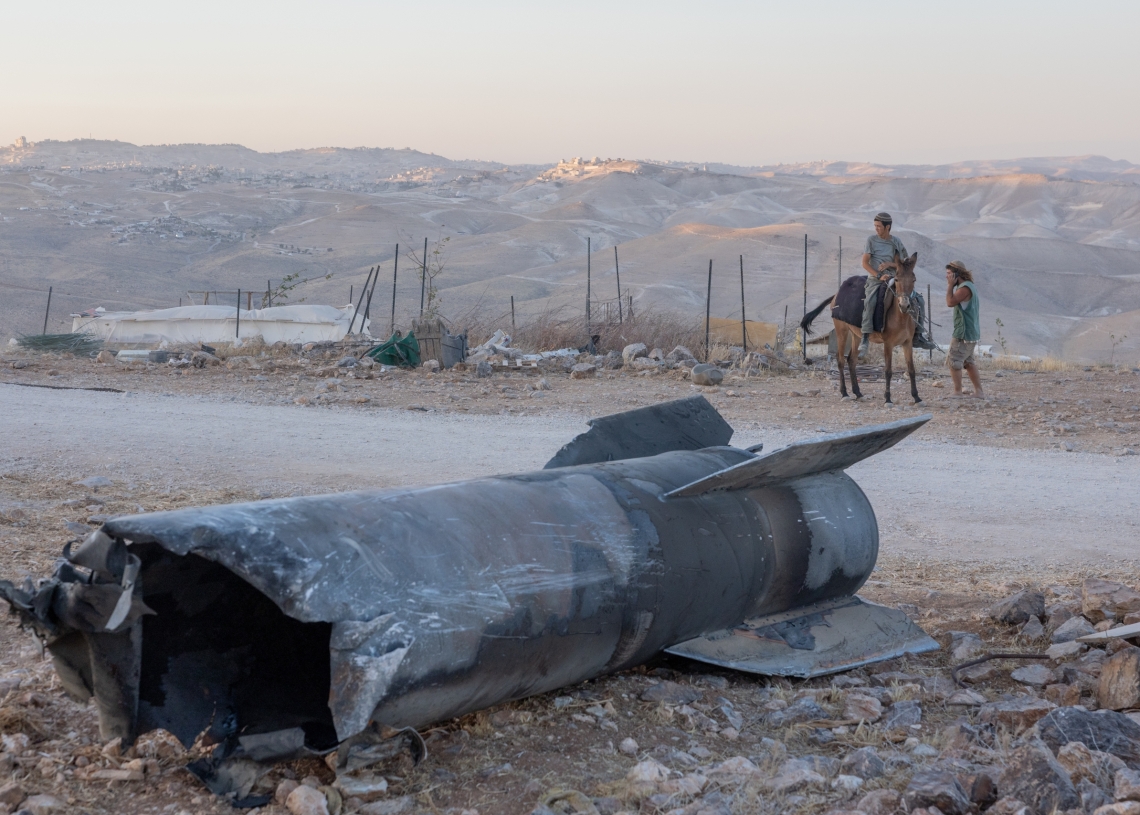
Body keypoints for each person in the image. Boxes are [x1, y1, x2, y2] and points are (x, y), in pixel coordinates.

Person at [859, 213, 935, 359]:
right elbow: (865, 263)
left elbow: (906, 263)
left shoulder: (896, 242)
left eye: (879, 227)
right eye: (875, 226)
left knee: (919, 299)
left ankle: (918, 335)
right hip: (876, 279)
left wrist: (890, 264)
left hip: (896, 278)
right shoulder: (871, 241)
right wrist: (879, 275)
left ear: (888, 227)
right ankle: (864, 338)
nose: (876, 229)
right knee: (870, 301)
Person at [945, 260, 983, 398]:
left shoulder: (964, 289)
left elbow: (950, 302)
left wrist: (949, 286)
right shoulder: (970, 286)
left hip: (963, 332)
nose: (947, 277)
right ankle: (979, 392)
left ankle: (957, 392)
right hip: (971, 331)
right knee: (968, 361)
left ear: (956, 274)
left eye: (949, 274)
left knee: (954, 360)